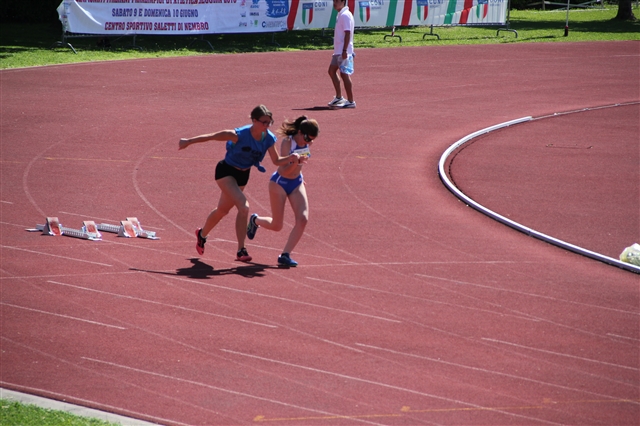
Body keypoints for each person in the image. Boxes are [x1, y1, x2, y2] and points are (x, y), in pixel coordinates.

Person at [178, 105, 300, 262]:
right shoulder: (239, 134)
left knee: (222, 210)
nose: (267, 126)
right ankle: (241, 250)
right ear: (254, 121)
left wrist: (292, 158)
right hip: (226, 172)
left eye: (269, 122)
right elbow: (213, 136)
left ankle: (201, 234)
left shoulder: (268, 138)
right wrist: (188, 141)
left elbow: (276, 160)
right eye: (264, 122)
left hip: (243, 174)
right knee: (244, 206)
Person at [246, 116, 320, 267]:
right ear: (300, 132)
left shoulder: (307, 142)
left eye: (311, 139)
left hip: (296, 182)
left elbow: (300, 164)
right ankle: (255, 220)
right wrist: (296, 162)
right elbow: (283, 171)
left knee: (303, 219)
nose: (308, 141)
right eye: (306, 137)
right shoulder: (288, 142)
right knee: (277, 225)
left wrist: (299, 169)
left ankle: (285, 254)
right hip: (280, 183)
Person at [327, 0, 356, 109]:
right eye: (334, 1)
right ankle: (339, 97)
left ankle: (351, 101)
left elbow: (348, 33)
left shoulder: (345, 15)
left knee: (344, 74)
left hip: (343, 51)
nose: (335, 3)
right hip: (338, 51)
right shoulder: (340, 14)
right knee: (331, 71)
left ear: (343, 1)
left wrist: (345, 51)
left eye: (337, 1)